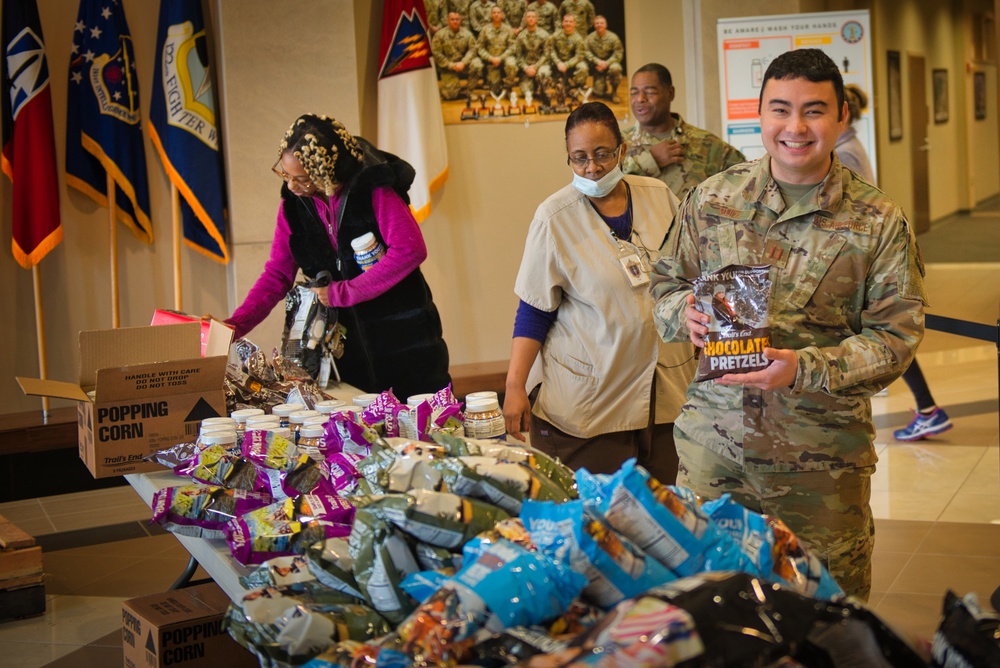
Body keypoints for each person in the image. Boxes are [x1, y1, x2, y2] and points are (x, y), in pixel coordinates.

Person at [649, 49, 927, 601]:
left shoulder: (877, 221)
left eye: (814, 111)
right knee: (710, 611)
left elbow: (896, 338)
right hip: (713, 453)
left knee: (826, 621)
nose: (795, 127)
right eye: (780, 109)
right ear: (760, 114)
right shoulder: (712, 199)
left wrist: (805, 369)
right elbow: (663, 286)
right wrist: (688, 314)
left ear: (842, 116)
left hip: (818, 466)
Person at [503, 101, 697, 485]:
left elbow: (690, 275)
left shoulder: (659, 196)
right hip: (591, 402)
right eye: (579, 158)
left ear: (622, 150)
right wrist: (514, 386)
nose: (591, 167)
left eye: (602, 154)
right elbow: (534, 309)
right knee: (597, 524)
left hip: (668, 395)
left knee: (667, 521)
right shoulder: (554, 217)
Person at [226, 114, 452, 400]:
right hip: (347, 349)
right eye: (285, 175)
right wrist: (234, 326)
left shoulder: (373, 188)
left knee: (425, 428)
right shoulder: (294, 206)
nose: (292, 187)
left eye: (302, 179)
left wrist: (344, 292)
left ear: (327, 172)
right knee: (361, 433)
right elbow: (277, 274)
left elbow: (411, 250)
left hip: (405, 340)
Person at [835, 84, 952, 441]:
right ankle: (927, 408)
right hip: (860, 258)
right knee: (880, 336)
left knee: (886, 336)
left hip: (860, 262)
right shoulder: (846, 146)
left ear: (841, 115)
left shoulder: (845, 153)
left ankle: (928, 409)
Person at [623, 63, 745, 199]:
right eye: (634, 93)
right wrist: (650, 161)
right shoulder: (616, 144)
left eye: (650, 92)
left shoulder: (707, 144)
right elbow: (600, 187)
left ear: (670, 93)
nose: (640, 99)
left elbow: (745, 186)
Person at [431, 11, 483, 100]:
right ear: (448, 21)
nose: (455, 21)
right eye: (452, 19)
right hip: (447, 67)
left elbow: (473, 50)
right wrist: (450, 65)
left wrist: (463, 62)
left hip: (463, 65)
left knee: (477, 64)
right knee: (451, 96)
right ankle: (450, 89)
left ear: (460, 21)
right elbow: (436, 53)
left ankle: (468, 91)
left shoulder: (467, 34)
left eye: (457, 19)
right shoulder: (440, 35)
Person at [477, 4, 518, 95]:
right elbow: (480, 48)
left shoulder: (508, 29)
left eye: (498, 12)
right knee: (495, 92)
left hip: (505, 58)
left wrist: (501, 58)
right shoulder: (485, 30)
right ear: (491, 15)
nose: (496, 14)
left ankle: (508, 88)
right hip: (491, 61)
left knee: (512, 64)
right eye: (494, 13)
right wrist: (490, 58)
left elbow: (512, 47)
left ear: (502, 15)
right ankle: (497, 83)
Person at [545, 13, 588, 97]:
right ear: (562, 23)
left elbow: (579, 56)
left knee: (583, 67)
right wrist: (558, 63)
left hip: (572, 66)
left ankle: (574, 85)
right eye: (566, 21)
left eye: (570, 22)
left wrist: (567, 65)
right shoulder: (555, 36)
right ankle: (558, 84)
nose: (568, 23)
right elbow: (551, 50)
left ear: (574, 24)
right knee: (545, 71)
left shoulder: (578, 38)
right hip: (557, 65)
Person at [584, 15, 623, 103]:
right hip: (597, 67)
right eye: (597, 23)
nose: (599, 25)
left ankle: (614, 92)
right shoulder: (590, 38)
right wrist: (597, 62)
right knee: (599, 93)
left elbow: (618, 53)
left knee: (616, 68)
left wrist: (606, 63)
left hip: (610, 64)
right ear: (594, 25)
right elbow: (586, 52)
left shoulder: (613, 37)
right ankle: (602, 86)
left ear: (606, 25)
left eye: (601, 23)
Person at [514, 8, 551, 101]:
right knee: (526, 93)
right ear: (525, 19)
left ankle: (543, 92)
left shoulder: (544, 35)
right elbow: (519, 56)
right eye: (528, 17)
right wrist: (526, 68)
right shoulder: (520, 36)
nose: (531, 19)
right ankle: (532, 87)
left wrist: (535, 67)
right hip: (526, 69)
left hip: (540, 65)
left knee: (543, 74)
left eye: (533, 17)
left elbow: (546, 54)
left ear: (536, 19)